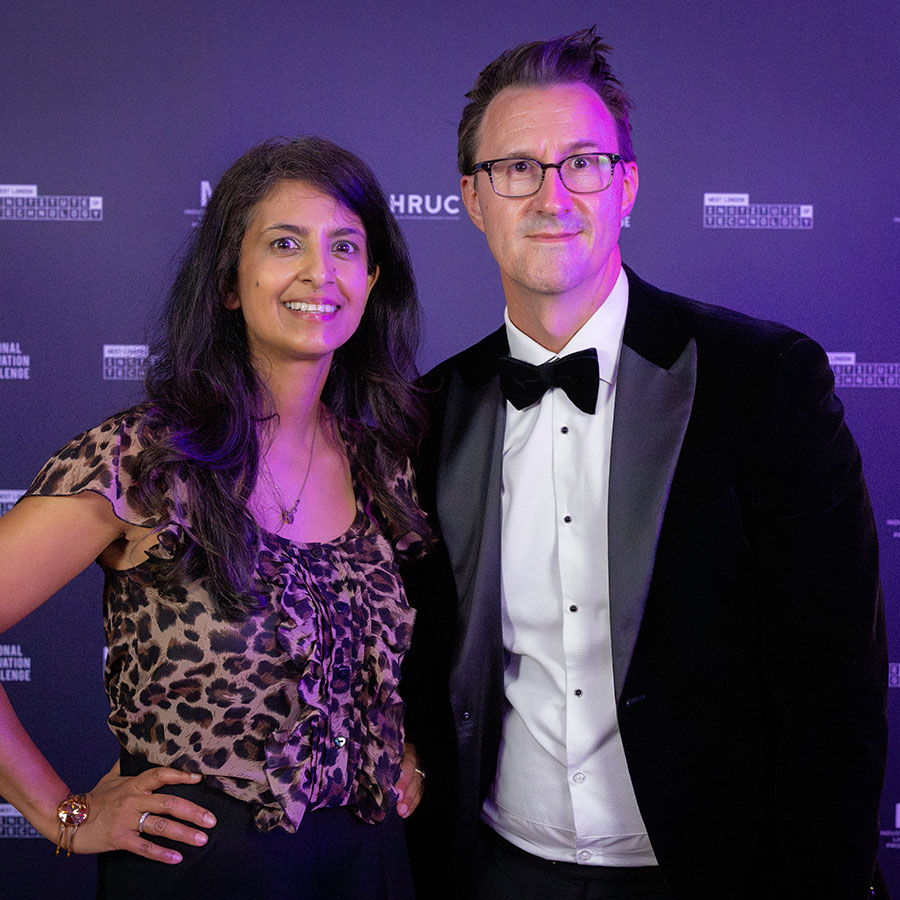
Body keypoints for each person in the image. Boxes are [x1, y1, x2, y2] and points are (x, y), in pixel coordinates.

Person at [401, 28, 888, 900]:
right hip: (500, 874)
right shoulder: (430, 411)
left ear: (626, 184)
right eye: (516, 168)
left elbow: (834, 687)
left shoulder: (764, 381)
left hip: (717, 878)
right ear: (473, 198)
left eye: (582, 164)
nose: (551, 196)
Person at [0, 136, 429, 900]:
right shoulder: (144, 459)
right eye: (285, 243)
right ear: (229, 282)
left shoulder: (383, 464)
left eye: (344, 247)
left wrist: (392, 743)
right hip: (201, 868)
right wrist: (61, 813)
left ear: (370, 280)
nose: (319, 272)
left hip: (372, 863)